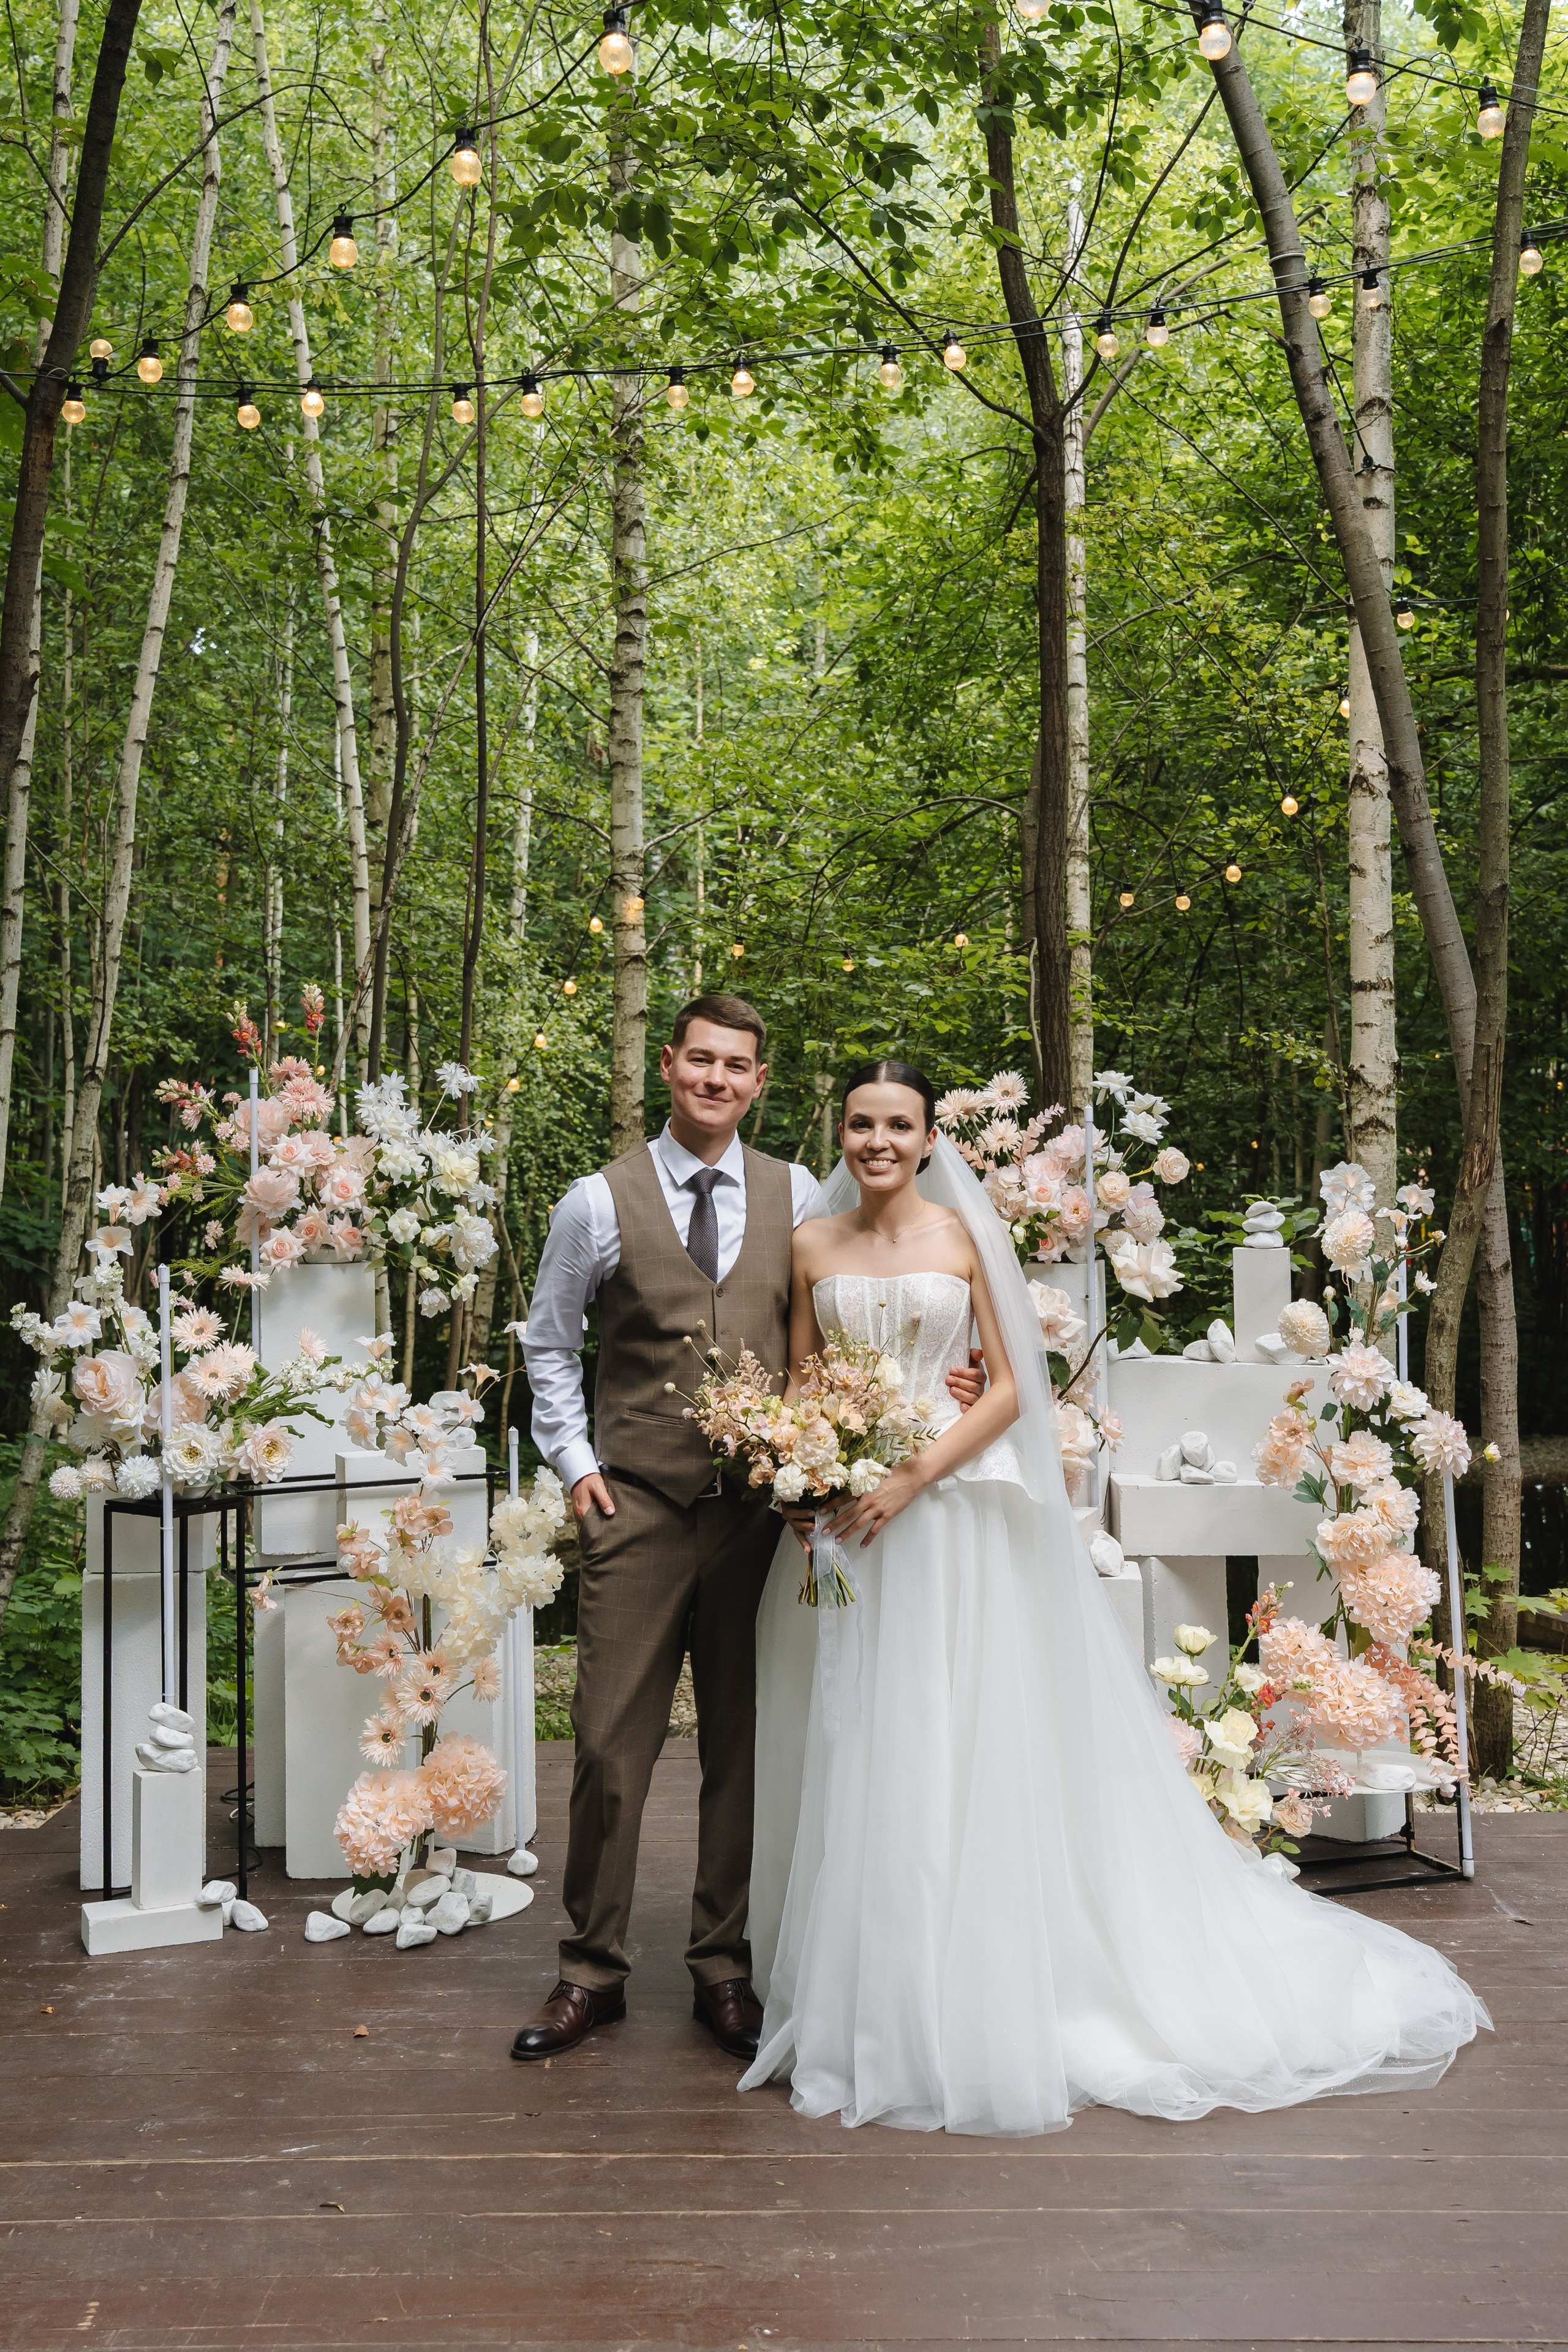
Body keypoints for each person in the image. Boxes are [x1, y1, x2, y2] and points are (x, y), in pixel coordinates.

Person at [741, 1059, 1489, 2136]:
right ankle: (875, 1989)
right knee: (867, 1739)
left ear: (925, 1136)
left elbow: (1008, 1389)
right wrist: (811, 1466)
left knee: (963, 1729)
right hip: (852, 1524)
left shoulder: (961, 1236)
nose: (877, 1144)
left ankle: (985, 1977)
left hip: (950, 1513)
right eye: (860, 1124)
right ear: (843, 1132)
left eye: (898, 1126)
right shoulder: (812, 1244)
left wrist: (912, 1473)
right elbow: (807, 1381)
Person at [514, 1001, 982, 2063]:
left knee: (742, 1747)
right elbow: (548, 1347)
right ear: (669, 1068)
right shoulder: (595, 1202)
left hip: (765, 1521)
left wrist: (958, 1376)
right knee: (606, 1747)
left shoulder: (801, 1197)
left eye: (738, 1066)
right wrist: (579, 1467)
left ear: (760, 1082)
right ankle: (590, 1969)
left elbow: (852, 1317)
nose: (716, 1080)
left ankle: (723, 1966)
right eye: (700, 1062)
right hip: (633, 1505)